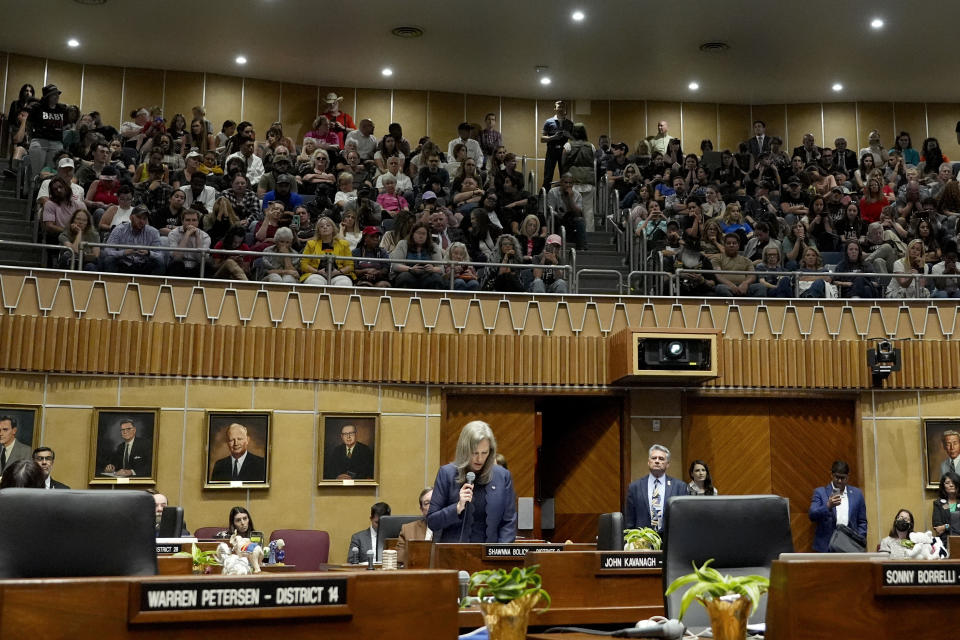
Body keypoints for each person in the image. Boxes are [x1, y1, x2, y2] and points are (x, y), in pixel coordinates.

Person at [427, 420, 517, 543]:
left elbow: (509, 522)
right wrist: (457, 508)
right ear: (464, 450)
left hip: (491, 557)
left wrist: (500, 553)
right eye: (474, 453)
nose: (479, 459)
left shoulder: (502, 476)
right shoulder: (447, 474)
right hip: (453, 556)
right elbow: (432, 521)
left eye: (484, 453)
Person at [625, 444, 688, 534]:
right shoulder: (635, 487)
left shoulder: (680, 486)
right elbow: (629, 519)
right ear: (648, 462)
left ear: (668, 464)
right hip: (642, 540)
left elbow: (683, 518)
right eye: (654, 458)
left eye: (661, 459)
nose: (657, 461)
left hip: (670, 539)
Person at [808, 460, 868, 552]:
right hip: (826, 547)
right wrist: (828, 506)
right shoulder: (820, 492)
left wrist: (859, 540)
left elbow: (862, 521)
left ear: (848, 477)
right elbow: (812, 515)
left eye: (843, 478)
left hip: (850, 547)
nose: (839, 481)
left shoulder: (857, 494)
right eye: (837, 477)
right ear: (831, 475)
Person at [101, 206, 165, 275]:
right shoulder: (119, 229)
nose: (142, 221)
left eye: (144, 219)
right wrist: (124, 253)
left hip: (144, 265)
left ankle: (152, 285)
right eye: (139, 217)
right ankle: (112, 285)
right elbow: (107, 251)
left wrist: (149, 253)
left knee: (159, 263)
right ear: (131, 217)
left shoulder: (153, 232)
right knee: (109, 260)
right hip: (123, 264)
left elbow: (161, 255)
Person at [540, 100, 573, 189]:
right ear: (555, 109)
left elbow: (575, 140)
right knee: (548, 176)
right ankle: (544, 199)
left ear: (565, 109)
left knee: (565, 176)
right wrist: (553, 137)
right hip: (551, 151)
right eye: (559, 107)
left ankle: (564, 198)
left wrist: (568, 135)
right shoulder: (548, 122)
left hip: (564, 152)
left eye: (563, 107)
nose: (561, 108)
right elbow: (542, 139)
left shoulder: (570, 123)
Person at [397, 487, 434, 566]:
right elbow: (399, 561)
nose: (432, 506)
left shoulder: (452, 529)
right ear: (421, 509)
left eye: (435, 501)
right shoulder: (407, 530)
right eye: (427, 503)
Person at [933, 471, 960, 545]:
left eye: (953, 482)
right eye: (947, 483)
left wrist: (945, 526)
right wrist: (954, 525)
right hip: (945, 541)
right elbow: (938, 528)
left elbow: (942, 528)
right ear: (943, 486)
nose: (951, 485)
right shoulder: (938, 504)